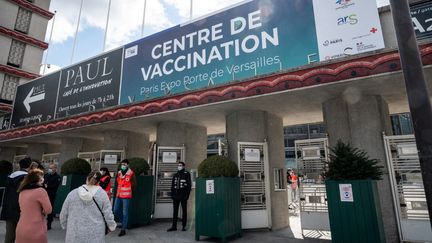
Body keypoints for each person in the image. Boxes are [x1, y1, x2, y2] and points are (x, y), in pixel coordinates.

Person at [60, 171, 116, 243]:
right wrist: (111, 226)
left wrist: (64, 225)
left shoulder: (72, 193)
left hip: (74, 233)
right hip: (95, 234)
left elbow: (63, 213)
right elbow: (108, 214)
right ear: (99, 182)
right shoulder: (102, 195)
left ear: (87, 179)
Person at [0, 157, 32, 243]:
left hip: (9, 209)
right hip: (21, 210)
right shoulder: (28, 179)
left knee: (9, 236)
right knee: (22, 236)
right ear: (29, 167)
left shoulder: (10, 177)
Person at [15, 168, 52, 243]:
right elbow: (48, 210)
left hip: (21, 227)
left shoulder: (22, 192)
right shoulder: (40, 191)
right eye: (42, 177)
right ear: (38, 179)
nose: (43, 179)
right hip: (36, 229)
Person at [114, 159, 136, 237]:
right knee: (115, 210)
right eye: (122, 164)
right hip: (118, 195)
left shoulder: (131, 173)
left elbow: (134, 185)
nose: (123, 165)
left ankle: (123, 229)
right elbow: (117, 183)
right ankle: (124, 223)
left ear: (128, 165)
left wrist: (130, 192)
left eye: (124, 164)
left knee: (125, 212)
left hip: (126, 196)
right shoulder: (119, 173)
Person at [167, 161, 191, 232]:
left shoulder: (187, 174)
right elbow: (172, 186)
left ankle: (183, 226)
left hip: (183, 196)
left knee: (184, 211)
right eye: (178, 165)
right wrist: (172, 194)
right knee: (175, 211)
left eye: (180, 165)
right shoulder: (175, 174)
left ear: (183, 166)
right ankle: (174, 226)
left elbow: (189, 186)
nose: (179, 166)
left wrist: (187, 196)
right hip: (176, 196)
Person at [44, 162, 61, 230]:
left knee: (50, 209)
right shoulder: (46, 175)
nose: (50, 169)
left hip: (51, 195)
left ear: (55, 169)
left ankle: (49, 223)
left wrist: (47, 186)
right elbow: (43, 182)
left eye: (51, 168)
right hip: (44, 194)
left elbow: (54, 186)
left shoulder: (57, 177)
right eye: (49, 168)